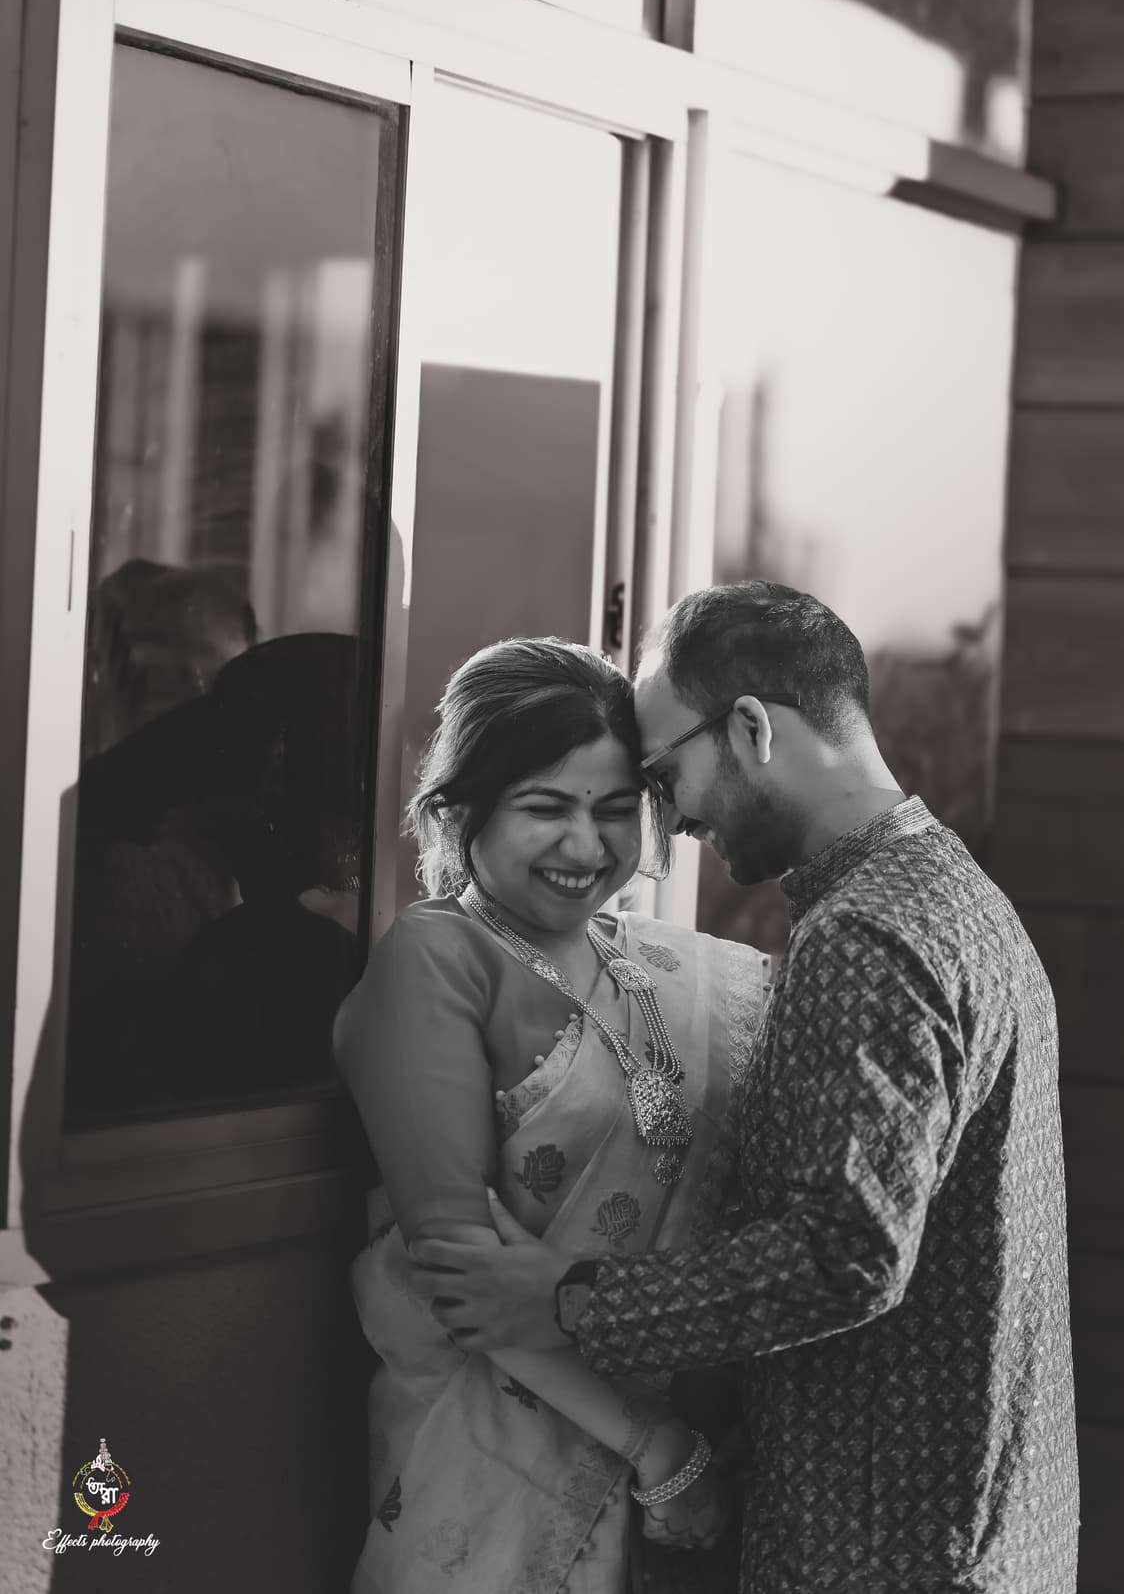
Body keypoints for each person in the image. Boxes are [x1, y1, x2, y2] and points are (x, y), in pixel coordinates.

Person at [411, 583, 1080, 1594]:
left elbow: (846, 1254)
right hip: (977, 1530)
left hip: (884, 1551)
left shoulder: (864, 937)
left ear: (753, 727)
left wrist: (572, 1299)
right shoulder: (953, 891)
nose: (667, 820)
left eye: (663, 773)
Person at [334, 637, 770, 1593]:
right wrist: (661, 1451)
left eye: (616, 811)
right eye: (545, 808)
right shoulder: (435, 961)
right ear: (462, 807)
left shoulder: (658, 965)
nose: (587, 847)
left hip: (677, 1472)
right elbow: (464, 1282)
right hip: (493, 1473)